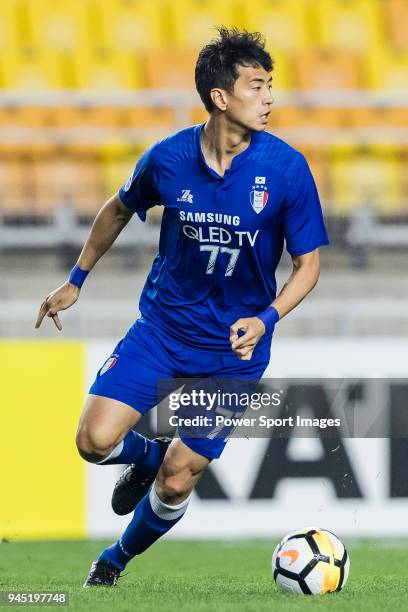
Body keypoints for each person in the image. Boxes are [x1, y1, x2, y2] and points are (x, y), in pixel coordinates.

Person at [35, 27, 329, 587]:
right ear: (221, 97)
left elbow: (308, 265)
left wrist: (266, 318)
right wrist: (76, 279)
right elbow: (117, 209)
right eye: (258, 87)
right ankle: (144, 456)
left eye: (271, 87)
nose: (270, 99)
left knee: (176, 482)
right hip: (162, 331)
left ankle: (112, 561)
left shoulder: (286, 168)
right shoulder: (168, 158)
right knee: (93, 443)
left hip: (231, 351)